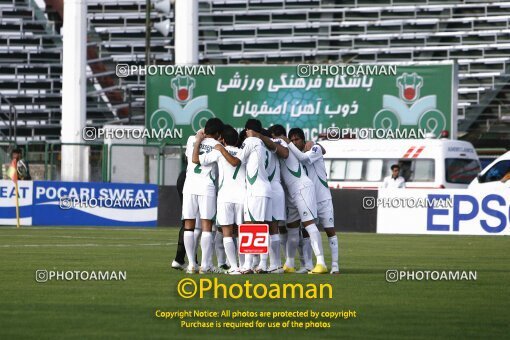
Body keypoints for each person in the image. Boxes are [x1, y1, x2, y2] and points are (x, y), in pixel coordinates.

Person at [267, 124, 328, 274]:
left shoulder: (283, 144)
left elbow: (303, 153)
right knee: (292, 229)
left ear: (279, 137)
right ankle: (290, 263)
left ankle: (321, 263)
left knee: (309, 225)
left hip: (302, 188)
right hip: (291, 192)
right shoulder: (281, 147)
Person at [214, 119, 272, 274]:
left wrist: (221, 149)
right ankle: (261, 264)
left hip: (256, 189)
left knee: (251, 227)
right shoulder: (263, 144)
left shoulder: (251, 140)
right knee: (259, 227)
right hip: (264, 188)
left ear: (248, 130)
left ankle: (249, 264)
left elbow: (234, 162)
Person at [287, 128, 339, 274]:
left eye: (297, 139)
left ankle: (335, 265)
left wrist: (289, 145)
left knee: (330, 231)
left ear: (304, 140)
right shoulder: (294, 155)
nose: (294, 142)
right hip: (309, 198)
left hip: (323, 198)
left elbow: (311, 155)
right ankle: (309, 265)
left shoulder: (314, 148)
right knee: (306, 232)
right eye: (291, 140)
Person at [196, 125, 245, 275]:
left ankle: (233, 267)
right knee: (242, 232)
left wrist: (199, 140)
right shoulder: (243, 152)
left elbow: (196, 159)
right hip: (243, 197)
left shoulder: (218, 152)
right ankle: (244, 265)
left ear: (222, 140)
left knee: (227, 233)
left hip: (225, 197)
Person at [183, 117, 224, 274]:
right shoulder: (217, 146)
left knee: (189, 226)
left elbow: (191, 157)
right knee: (207, 226)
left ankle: (192, 264)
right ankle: (205, 265)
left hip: (189, 186)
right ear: (218, 133)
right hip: (207, 187)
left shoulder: (191, 139)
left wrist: (198, 138)